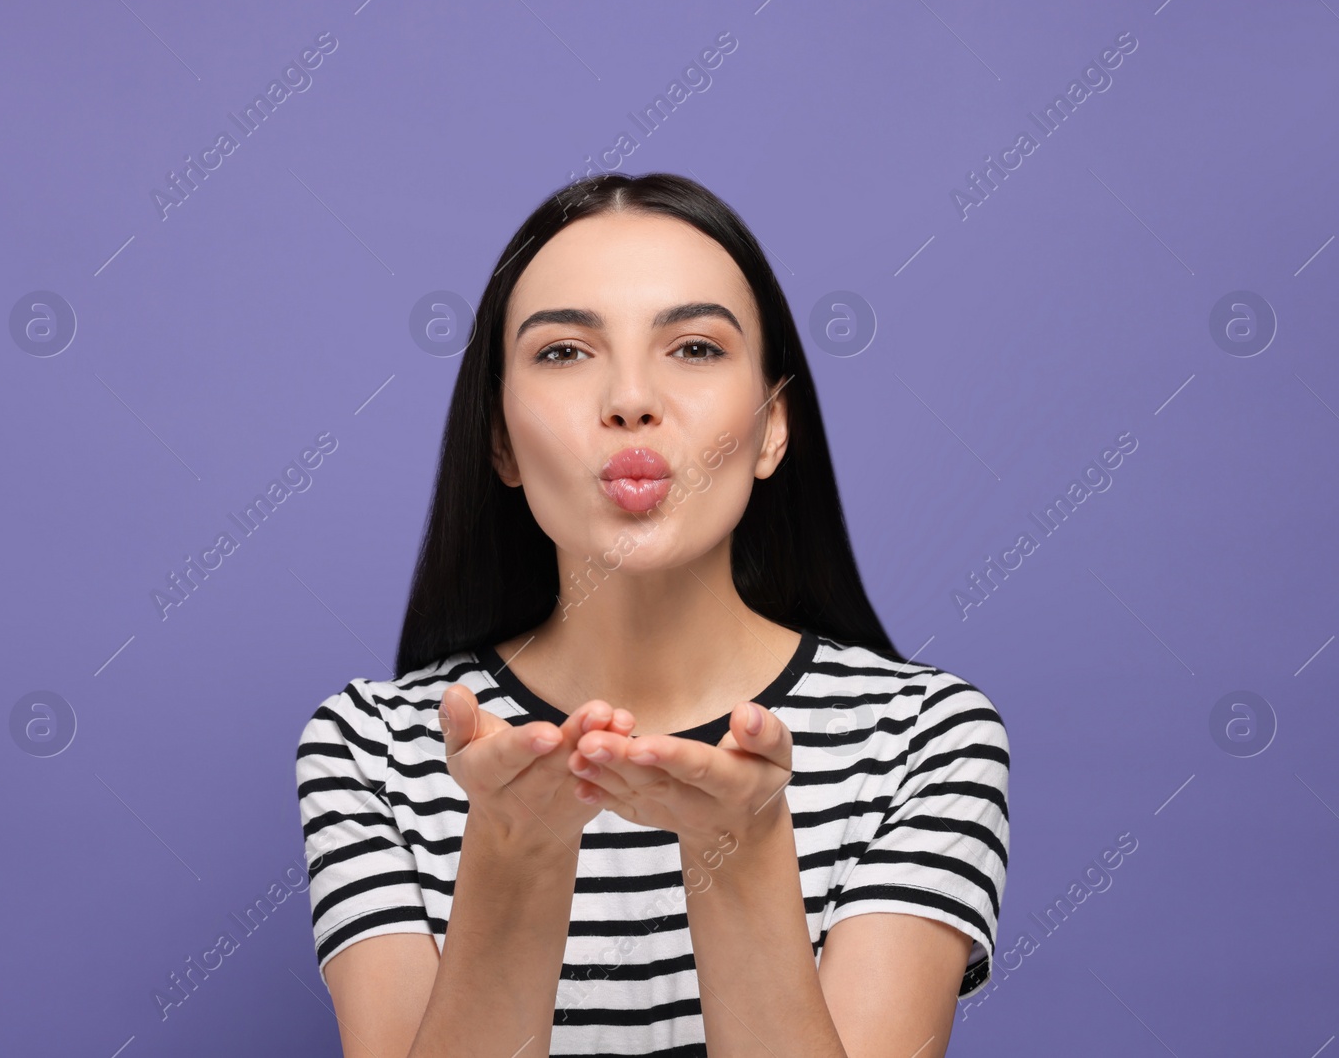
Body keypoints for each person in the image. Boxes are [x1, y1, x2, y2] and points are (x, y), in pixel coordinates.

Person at [296, 172, 1010, 1057]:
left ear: (773, 426)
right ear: (499, 440)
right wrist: (514, 857)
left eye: (696, 348)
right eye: (564, 351)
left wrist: (739, 856)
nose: (630, 399)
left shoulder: (921, 740)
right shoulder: (373, 748)